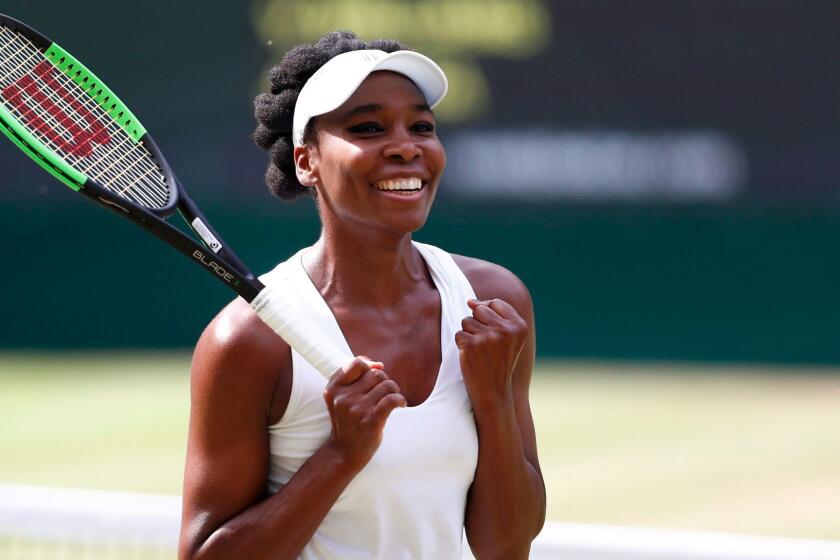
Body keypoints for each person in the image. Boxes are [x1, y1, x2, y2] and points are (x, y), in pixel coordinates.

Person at [179, 31, 545, 560]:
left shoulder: (492, 301)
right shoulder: (247, 340)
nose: (406, 145)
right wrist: (340, 455)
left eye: (421, 126)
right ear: (306, 162)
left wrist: (491, 401)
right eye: (368, 128)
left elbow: (505, 546)